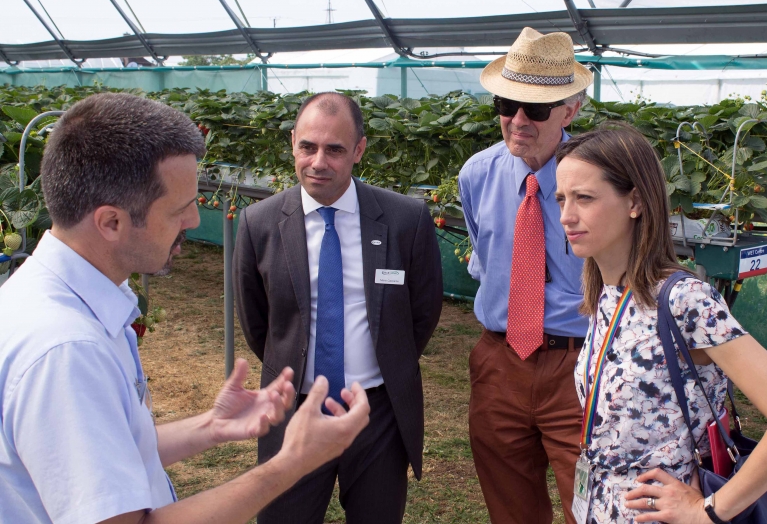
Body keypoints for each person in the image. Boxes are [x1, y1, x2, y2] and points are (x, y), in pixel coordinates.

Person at [0, 92, 370, 524]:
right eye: (179, 209)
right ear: (111, 222)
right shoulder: (66, 351)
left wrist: (212, 426)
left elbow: (107, 449)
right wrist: (290, 463)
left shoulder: (58, 301)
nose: (194, 220)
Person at [554, 125, 767, 523]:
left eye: (584, 198)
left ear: (636, 202)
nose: (566, 216)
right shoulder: (607, 293)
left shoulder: (684, 300)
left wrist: (709, 511)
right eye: (561, 198)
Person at [233, 91, 443, 524]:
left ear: (359, 150)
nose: (318, 162)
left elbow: (422, 312)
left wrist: (385, 361)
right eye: (307, 147)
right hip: (293, 410)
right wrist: (293, 366)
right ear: (293, 142)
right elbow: (259, 324)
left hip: (376, 414)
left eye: (334, 149)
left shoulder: (405, 219)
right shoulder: (260, 223)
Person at [457, 28, 593, 524]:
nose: (517, 120)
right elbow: (484, 254)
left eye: (535, 110)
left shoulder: (599, 179)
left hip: (580, 366)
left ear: (570, 111)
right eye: (506, 103)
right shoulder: (476, 174)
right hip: (499, 361)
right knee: (510, 508)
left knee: (593, 506)